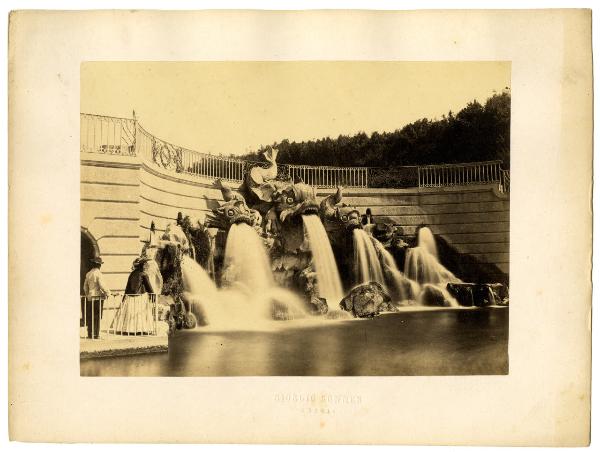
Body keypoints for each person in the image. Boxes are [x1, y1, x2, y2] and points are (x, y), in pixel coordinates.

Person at [113, 257, 155, 335]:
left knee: (131, 313)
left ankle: (129, 329)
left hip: (130, 297)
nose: (146, 266)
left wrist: (124, 298)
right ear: (142, 265)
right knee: (139, 313)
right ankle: (140, 329)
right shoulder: (144, 274)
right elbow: (149, 287)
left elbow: (127, 287)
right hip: (140, 297)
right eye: (145, 264)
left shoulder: (132, 274)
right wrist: (154, 297)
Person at [82, 256, 111, 339]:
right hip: (97, 297)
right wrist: (108, 293)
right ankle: (96, 334)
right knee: (97, 316)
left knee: (90, 315)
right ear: (99, 265)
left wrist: (88, 294)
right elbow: (102, 285)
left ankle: (90, 334)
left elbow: (85, 287)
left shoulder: (88, 273)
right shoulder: (98, 274)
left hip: (90, 297)